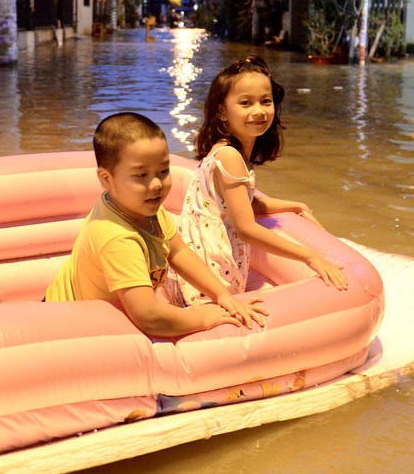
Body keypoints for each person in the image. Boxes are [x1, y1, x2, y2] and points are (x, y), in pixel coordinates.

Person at [44, 112, 267, 338]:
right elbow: (149, 317)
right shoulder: (118, 238)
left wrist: (222, 295)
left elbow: (178, 251)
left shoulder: (141, 207)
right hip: (65, 324)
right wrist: (204, 318)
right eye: (141, 175)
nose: (156, 184)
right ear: (106, 179)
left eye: (163, 171)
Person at [169, 55, 348, 308]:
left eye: (266, 101)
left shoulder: (232, 149)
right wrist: (311, 257)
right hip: (209, 274)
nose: (258, 111)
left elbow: (245, 203)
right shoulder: (229, 156)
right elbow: (246, 228)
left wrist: (295, 206)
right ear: (221, 111)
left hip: (204, 264)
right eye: (245, 103)